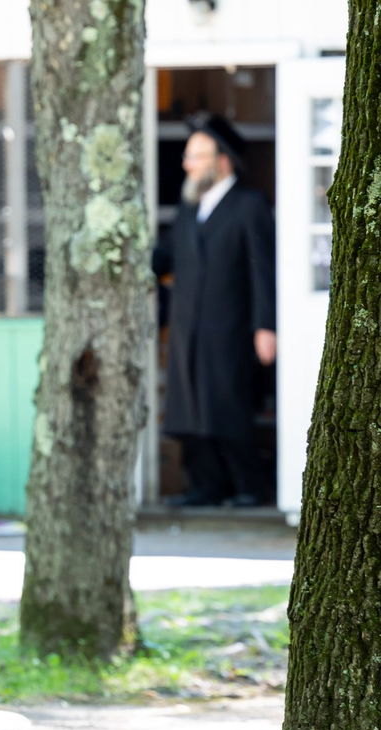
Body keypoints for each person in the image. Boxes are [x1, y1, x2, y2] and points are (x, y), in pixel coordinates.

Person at [155, 112, 277, 507]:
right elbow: (166, 256)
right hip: (188, 326)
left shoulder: (249, 205)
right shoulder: (190, 207)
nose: (187, 164)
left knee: (227, 407)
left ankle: (249, 487)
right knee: (190, 411)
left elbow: (263, 269)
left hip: (232, 327)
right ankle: (205, 486)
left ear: (223, 160)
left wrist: (266, 326)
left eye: (197, 156)